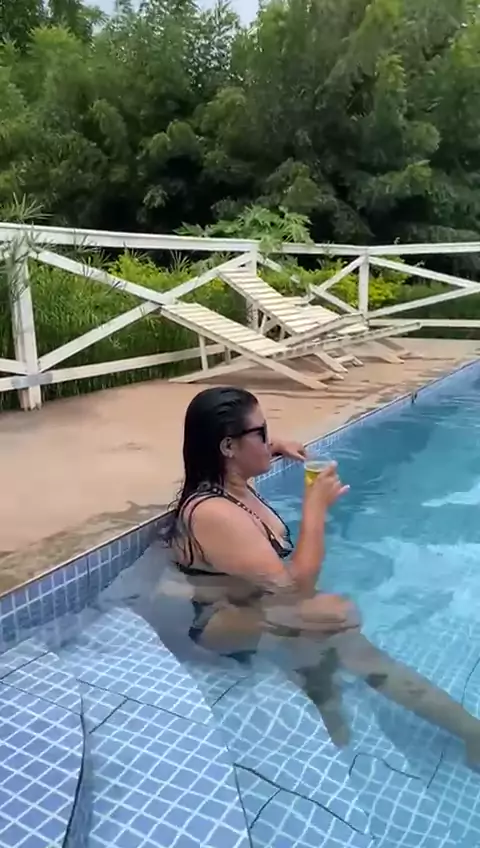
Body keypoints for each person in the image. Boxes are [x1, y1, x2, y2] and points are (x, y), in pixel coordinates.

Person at [166, 386, 480, 763]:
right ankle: (343, 718)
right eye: (262, 432)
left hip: (257, 602)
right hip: (217, 624)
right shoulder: (214, 513)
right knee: (334, 618)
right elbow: (294, 588)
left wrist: (273, 446)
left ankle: (460, 729)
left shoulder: (232, 484)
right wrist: (315, 508)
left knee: (337, 633)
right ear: (228, 447)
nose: (269, 439)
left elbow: (282, 590)